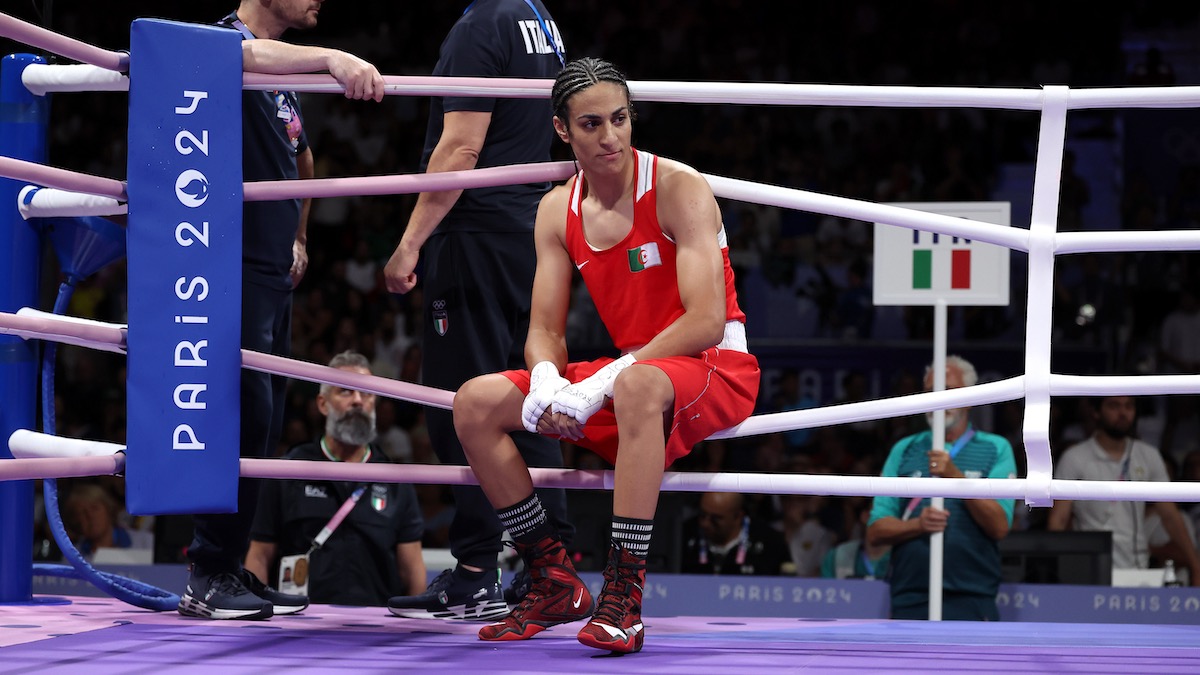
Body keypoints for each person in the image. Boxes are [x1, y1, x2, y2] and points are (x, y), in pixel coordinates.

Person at [449, 57, 760, 653]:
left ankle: (625, 599)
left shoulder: (678, 188)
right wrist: (544, 381)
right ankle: (551, 578)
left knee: (637, 384)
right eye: (591, 124)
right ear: (563, 131)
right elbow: (544, 326)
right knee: (475, 403)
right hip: (638, 372)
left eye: (620, 119)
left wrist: (603, 384)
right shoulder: (555, 209)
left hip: (714, 365)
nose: (610, 136)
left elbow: (704, 320)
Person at [178, 0, 387, 621]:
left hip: (271, 274)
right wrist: (330, 57)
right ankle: (207, 572)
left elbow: (304, 157)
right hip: (225, 263)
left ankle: (227, 565)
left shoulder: (284, 87)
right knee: (237, 416)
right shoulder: (219, 40)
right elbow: (236, 56)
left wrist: (299, 234)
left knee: (262, 426)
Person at [383, 0, 573, 622]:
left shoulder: (481, 24)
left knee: (463, 404)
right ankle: (553, 565)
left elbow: (461, 148)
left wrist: (409, 243)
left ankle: (476, 570)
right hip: (527, 232)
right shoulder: (539, 19)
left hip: (474, 236)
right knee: (526, 396)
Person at [244, 351, 427, 606]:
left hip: (377, 627)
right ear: (322, 403)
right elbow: (260, 556)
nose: (358, 401)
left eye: (366, 393)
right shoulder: (288, 471)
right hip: (298, 626)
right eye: (346, 391)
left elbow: (412, 571)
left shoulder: (395, 479)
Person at [866, 355, 1016, 621]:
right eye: (931, 392)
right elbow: (876, 530)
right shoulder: (904, 449)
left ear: (970, 398)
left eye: (948, 392)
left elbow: (999, 525)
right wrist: (917, 526)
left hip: (973, 595)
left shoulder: (996, 448)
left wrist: (954, 477)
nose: (938, 400)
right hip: (910, 595)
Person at [1047, 395, 1200, 586]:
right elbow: (1058, 521)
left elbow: (1170, 516)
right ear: (1096, 412)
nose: (1123, 413)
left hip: (1138, 570)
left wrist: (1195, 566)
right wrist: (1055, 574)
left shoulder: (1148, 455)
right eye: (1114, 406)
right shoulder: (1075, 457)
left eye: (1129, 406)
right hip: (1089, 571)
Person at [681, 492, 792, 576]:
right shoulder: (684, 535)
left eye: (715, 519)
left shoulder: (770, 542)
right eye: (702, 515)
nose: (705, 523)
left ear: (738, 516)